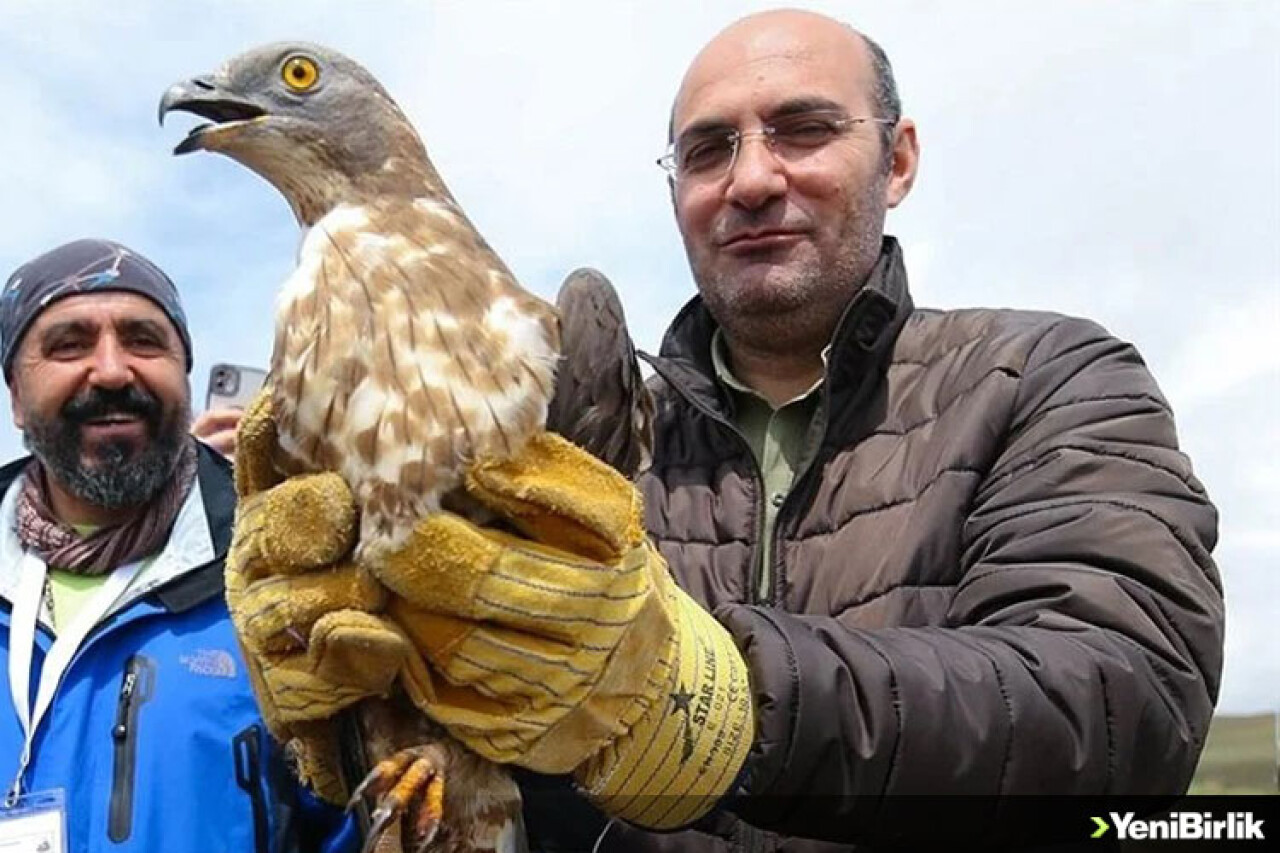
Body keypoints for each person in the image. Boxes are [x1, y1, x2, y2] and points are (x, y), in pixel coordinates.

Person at [226, 9, 1224, 851]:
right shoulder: (583, 412)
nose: (751, 178)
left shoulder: (1047, 379)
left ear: (898, 156)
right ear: (676, 190)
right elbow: (521, 735)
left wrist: (708, 696)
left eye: (802, 129)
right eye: (708, 149)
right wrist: (367, 715)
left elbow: (1119, 711)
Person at [0, 238, 355, 852]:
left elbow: (377, 825)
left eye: (143, 340)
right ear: (14, 398)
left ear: (184, 375)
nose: (112, 370)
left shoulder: (289, 581)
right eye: (69, 344)